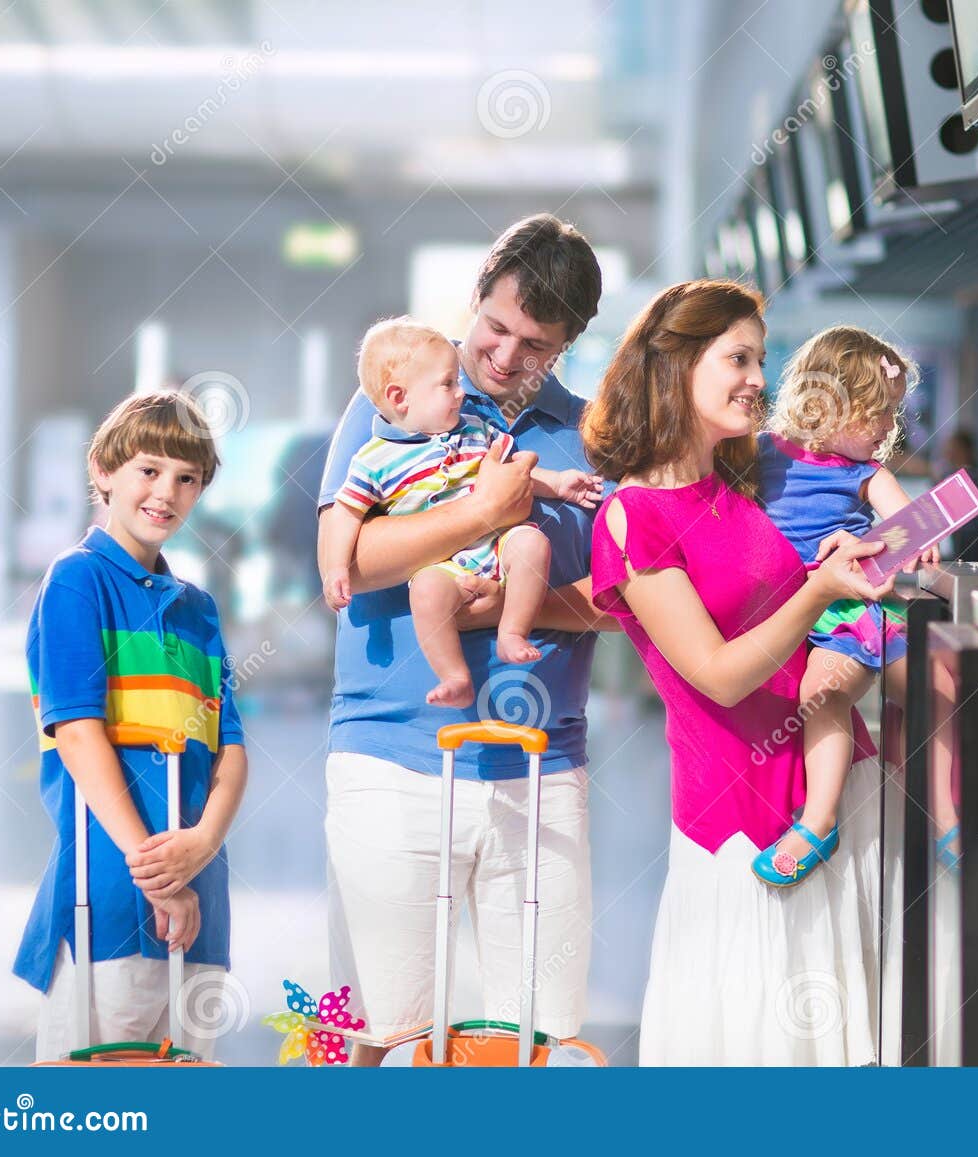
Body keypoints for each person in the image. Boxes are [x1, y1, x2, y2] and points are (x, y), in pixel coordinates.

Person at [316, 214, 613, 1064]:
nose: (505, 356)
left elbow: (619, 600)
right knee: (375, 1035)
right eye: (497, 325)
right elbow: (352, 562)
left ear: (568, 343)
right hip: (390, 754)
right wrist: (481, 513)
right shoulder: (402, 395)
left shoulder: (587, 437)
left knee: (541, 1040)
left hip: (542, 764)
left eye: (536, 344)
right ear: (477, 291)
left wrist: (498, 608)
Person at [581, 280, 892, 1064]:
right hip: (736, 827)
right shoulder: (632, 515)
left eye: (761, 357)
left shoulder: (741, 486)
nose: (759, 376)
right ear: (675, 365)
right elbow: (718, 674)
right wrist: (819, 589)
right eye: (738, 357)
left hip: (830, 805)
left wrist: (845, 571)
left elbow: (800, 627)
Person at [14, 390, 249, 1060]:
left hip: (199, 906)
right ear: (105, 469)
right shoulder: (76, 582)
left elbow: (229, 749)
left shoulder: (197, 609)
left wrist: (201, 845)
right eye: (149, 469)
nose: (166, 492)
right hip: (109, 898)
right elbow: (79, 735)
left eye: (186, 479)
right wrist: (161, 876)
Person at [318, 317, 602, 706]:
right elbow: (348, 513)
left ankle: (512, 632)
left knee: (533, 543)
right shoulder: (373, 460)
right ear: (401, 398)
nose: (459, 393)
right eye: (448, 384)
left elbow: (515, 472)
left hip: (497, 546)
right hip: (444, 566)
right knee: (427, 592)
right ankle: (454, 676)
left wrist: (559, 484)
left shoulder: (473, 429)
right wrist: (336, 568)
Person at [751, 326, 935, 886]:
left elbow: (920, 530)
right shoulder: (759, 455)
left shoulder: (868, 474)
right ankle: (825, 818)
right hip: (789, 612)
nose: (889, 429)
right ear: (831, 405)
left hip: (846, 614)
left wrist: (877, 545)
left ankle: (829, 821)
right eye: (879, 414)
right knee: (818, 696)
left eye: (893, 415)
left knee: (838, 694)